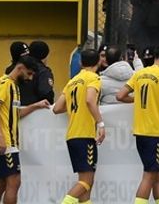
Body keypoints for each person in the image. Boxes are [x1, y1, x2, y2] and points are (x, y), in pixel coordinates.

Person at [117, 45, 159, 204]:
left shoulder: (140, 74)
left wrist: (137, 99)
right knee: (149, 175)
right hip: (155, 133)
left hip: (140, 132)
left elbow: (120, 96)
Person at [0, 57, 48, 204]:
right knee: (14, 182)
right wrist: (1, 136)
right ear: (20, 68)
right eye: (29, 73)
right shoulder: (3, 83)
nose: (30, 78)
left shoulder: (14, 87)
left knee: (0, 185)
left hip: (8, 141)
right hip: (5, 142)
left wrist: (35, 105)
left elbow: (15, 114)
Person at [52, 49, 105, 204]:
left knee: (86, 181)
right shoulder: (94, 78)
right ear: (99, 62)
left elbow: (57, 108)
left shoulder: (72, 81)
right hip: (85, 134)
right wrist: (100, 123)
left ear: (81, 62)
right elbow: (90, 100)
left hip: (72, 135)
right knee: (86, 181)